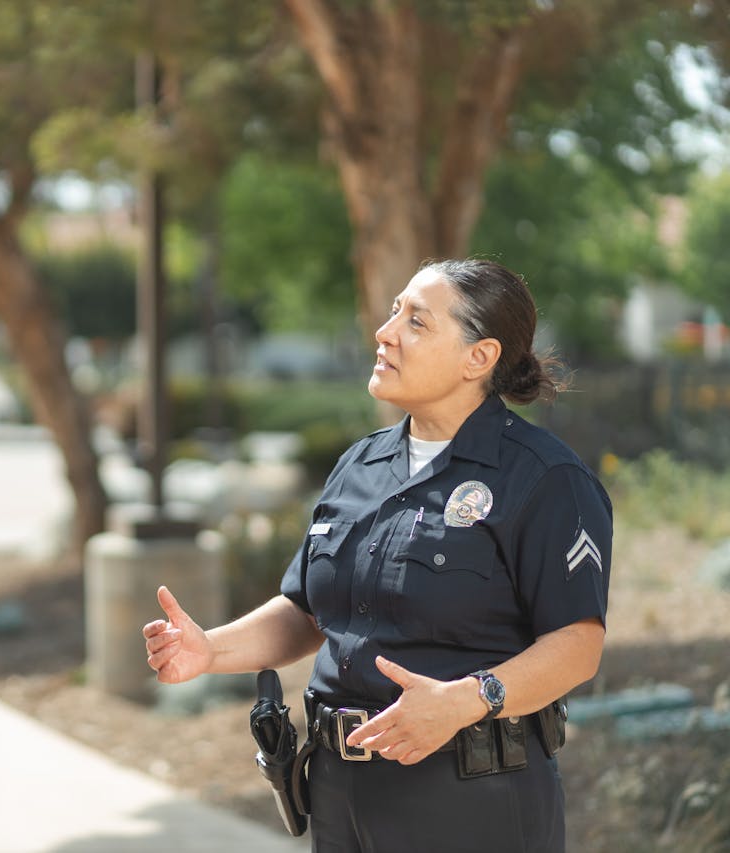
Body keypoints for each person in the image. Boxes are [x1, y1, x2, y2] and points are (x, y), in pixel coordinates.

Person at [142, 258, 611, 852]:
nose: (385, 333)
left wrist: (466, 700)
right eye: (394, 312)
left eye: (416, 322)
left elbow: (578, 643)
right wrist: (210, 649)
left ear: (479, 357)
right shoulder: (359, 466)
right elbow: (309, 612)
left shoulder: (544, 479)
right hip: (340, 796)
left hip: (471, 799)